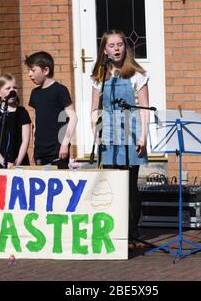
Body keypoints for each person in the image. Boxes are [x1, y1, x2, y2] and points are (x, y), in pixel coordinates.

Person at [90, 29, 149, 239]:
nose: (117, 49)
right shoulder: (100, 76)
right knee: (111, 183)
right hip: (108, 132)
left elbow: (144, 108)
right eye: (112, 45)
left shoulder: (137, 74)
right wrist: (95, 132)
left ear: (126, 47)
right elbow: (94, 109)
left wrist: (143, 136)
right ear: (104, 50)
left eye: (120, 45)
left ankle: (132, 231)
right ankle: (113, 229)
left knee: (129, 184)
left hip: (131, 132)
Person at [26, 51, 77, 169]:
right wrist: (34, 147)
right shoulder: (35, 93)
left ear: (45, 70)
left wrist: (64, 144)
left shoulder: (60, 90)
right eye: (29, 70)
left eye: (33, 70)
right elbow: (36, 121)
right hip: (40, 150)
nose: (29, 74)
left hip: (57, 149)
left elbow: (73, 118)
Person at [0, 74, 31, 168]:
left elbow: (25, 140)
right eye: (8, 88)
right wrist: (3, 162)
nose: (12, 91)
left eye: (15, 88)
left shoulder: (22, 112)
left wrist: (17, 163)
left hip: (19, 162)